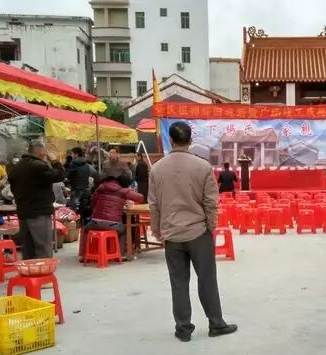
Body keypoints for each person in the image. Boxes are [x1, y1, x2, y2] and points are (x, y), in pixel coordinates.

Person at [148, 121, 237, 342]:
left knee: (178, 283)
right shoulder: (202, 167)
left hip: (172, 234)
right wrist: (211, 226)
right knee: (207, 280)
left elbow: (154, 204)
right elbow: (211, 202)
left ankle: (183, 329)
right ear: (190, 140)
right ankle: (216, 323)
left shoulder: (157, 169)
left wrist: (157, 230)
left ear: (171, 140)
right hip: (198, 232)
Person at [9, 141, 66, 259]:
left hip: (23, 212)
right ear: (41, 153)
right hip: (39, 212)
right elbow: (59, 175)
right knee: (43, 248)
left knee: (28, 250)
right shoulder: (38, 166)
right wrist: (55, 161)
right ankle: (44, 270)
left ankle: (30, 270)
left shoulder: (16, 167)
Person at [79, 174, 143, 260]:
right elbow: (140, 198)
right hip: (113, 224)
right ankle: (121, 255)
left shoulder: (101, 187)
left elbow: (93, 201)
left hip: (95, 222)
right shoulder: (124, 191)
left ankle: (84, 256)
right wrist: (128, 193)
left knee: (86, 230)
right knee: (123, 230)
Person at [66, 147, 96, 211]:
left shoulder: (73, 163)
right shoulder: (86, 164)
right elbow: (94, 173)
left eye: (72, 154)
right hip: (86, 188)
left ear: (76, 154)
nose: (71, 155)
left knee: (74, 209)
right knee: (82, 208)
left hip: (75, 188)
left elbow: (69, 175)